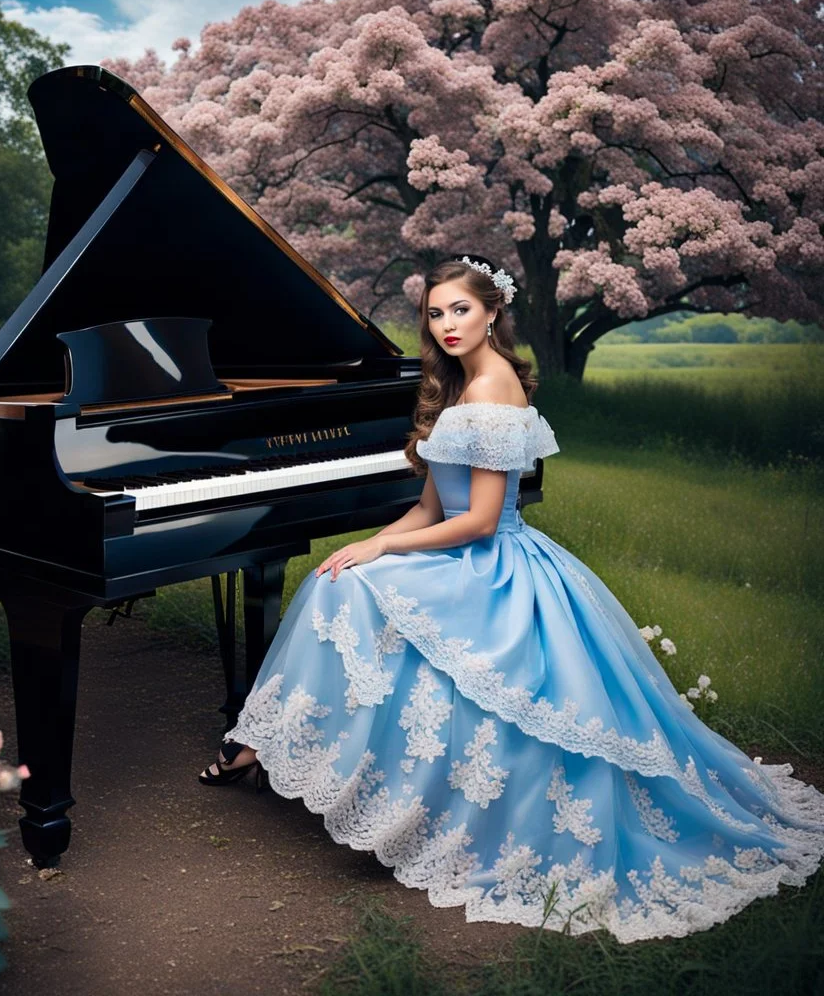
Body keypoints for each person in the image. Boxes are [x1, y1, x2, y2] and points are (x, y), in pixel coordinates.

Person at [197, 254, 824, 942]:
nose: (446, 326)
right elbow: (429, 506)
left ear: (493, 312)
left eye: (460, 310)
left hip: (491, 564)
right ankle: (273, 743)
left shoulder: (493, 391)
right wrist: (370, 543)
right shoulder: (457, 387)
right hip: (459, 549)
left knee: (356, 594)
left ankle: (277, 748)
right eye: (434, 315)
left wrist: (383, 552)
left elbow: (481, 521)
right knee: (334, 580)